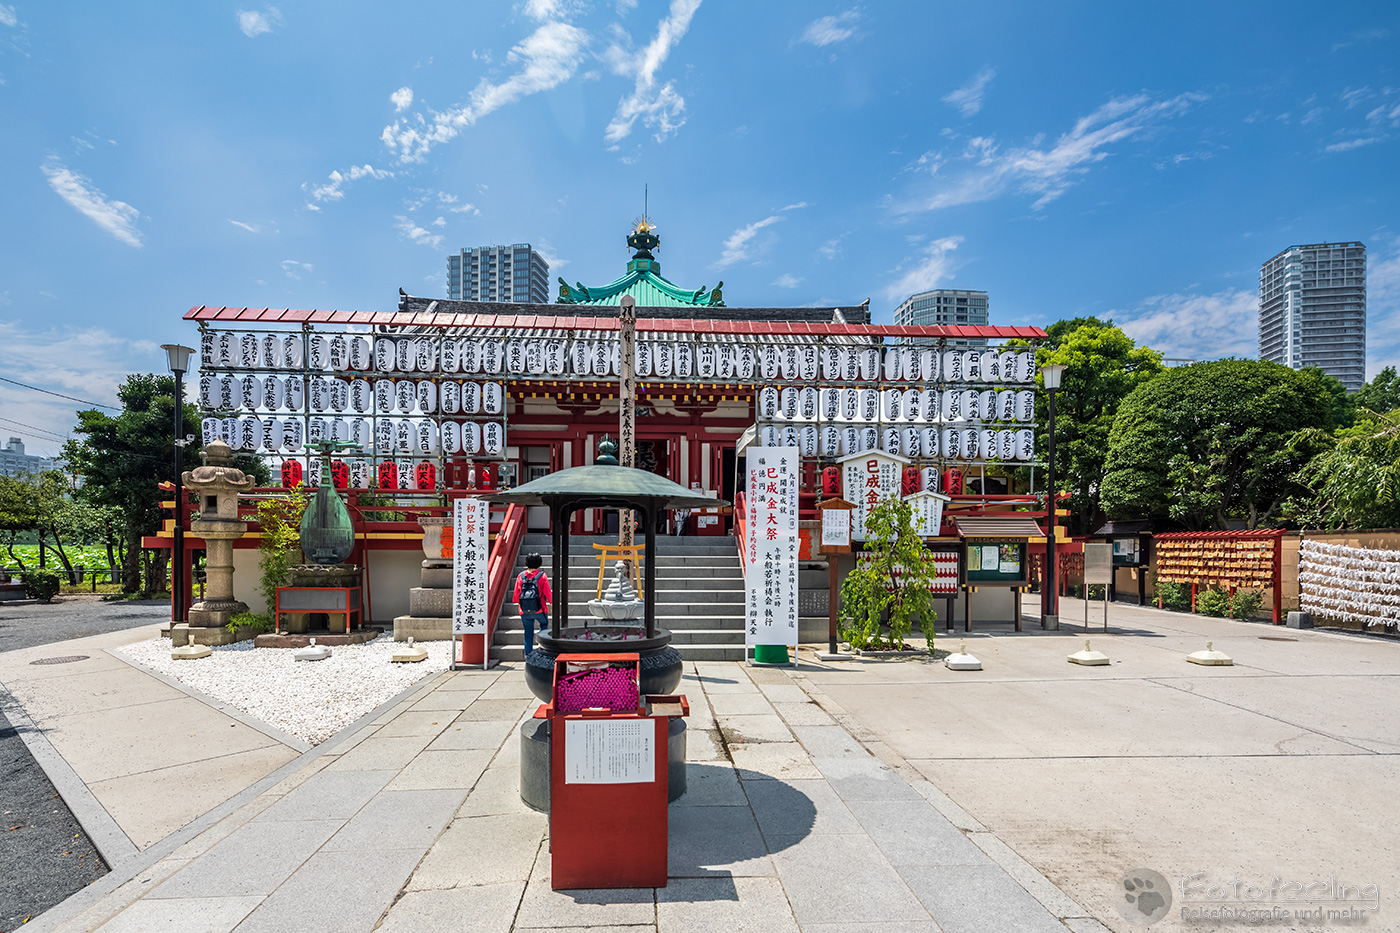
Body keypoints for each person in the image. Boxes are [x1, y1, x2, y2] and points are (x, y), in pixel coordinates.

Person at [513, 552, 551, 655]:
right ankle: (542, 652)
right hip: (540, 608)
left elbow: (517, 593)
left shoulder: (520, 576)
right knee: (544, 625)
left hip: (525, 609)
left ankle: (528, 656)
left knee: (528, 634)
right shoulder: (542, 576)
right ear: (539, 562)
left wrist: (519, 607)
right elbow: (548, 592)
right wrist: (552, 604)